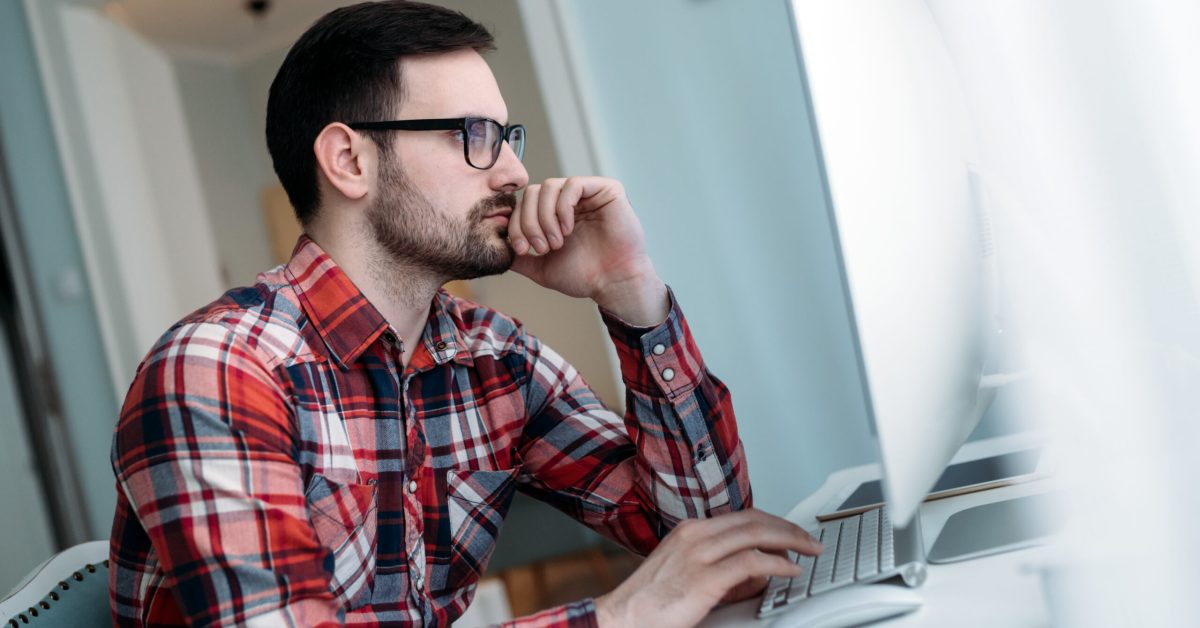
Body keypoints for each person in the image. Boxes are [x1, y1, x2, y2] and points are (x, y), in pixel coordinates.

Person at [108, 2, 821, 626]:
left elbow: (715, 538)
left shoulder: (492, 356)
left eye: (509, 138)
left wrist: (629, 291)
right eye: (474, 136)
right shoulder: (219, 374)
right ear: (350, 161)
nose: (514, 173)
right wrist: (618, 617)